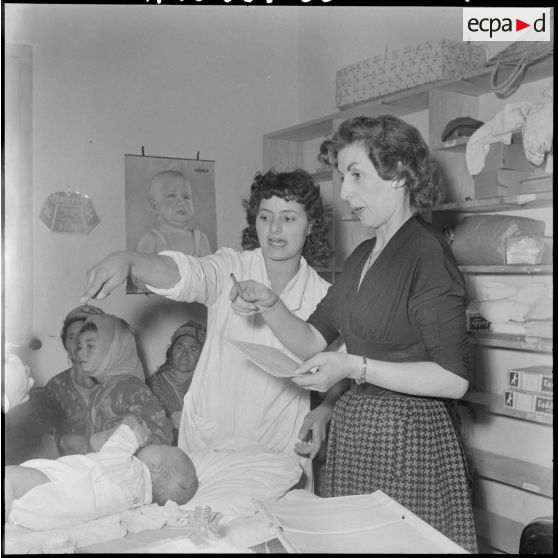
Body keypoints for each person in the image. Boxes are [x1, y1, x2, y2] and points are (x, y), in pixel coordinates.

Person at [228, 115, 478, 553]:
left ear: (399, 172)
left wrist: (354, 366)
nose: (344, 192)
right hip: (357, 435)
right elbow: (310, 340)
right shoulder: (364, 254)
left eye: (356, 175)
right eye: (343, 177)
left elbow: (453, 378)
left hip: (409, 440)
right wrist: (271, 304)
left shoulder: (426, 252)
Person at [80, 168, 333, 488]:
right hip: (211, 441)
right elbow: (188, 272)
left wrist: (324, 410)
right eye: (266, 217)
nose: (275, 229)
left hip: (277, 445)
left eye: (289, 218)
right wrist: (130, 260)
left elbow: (339, 368)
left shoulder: (323, 295)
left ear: (311, 224)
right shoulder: (232, 267)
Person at [5, 416, 198, 531]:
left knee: (10, 477)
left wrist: (132, 434)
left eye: (162, 446)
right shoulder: (139, 499)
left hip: (60, 487)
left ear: (154, 466)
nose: (154, 443)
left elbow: (111, 456)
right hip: (54, 516)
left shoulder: (136, 474)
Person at [72, 313, 174, 451]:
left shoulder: (131, 388)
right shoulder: (97, 392)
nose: (81, 353)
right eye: (79, 347)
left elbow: (161, 436)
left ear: (113, 348)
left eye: (90, 346)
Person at [36, 305, 106, 455]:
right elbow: (39, 437)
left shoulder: (122, 383)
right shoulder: (55, 387)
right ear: (65, 344)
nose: (78, 344)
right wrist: (62, 440)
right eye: (72, 337)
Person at [147, 321, 206, 443]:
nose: (185, 353)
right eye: (179, 347)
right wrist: (168, 421)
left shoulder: (208, 385)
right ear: (171, 353)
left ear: (202, 356)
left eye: (193, 349)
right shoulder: (153, 384)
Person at [137, 169, 212, 257]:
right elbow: (141, 269)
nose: (182, 202)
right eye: (171, 196)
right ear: (154, 207)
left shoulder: (200, 239)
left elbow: (210, 269)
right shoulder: (151, 240)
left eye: (186, 197)